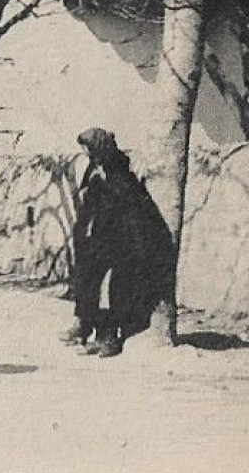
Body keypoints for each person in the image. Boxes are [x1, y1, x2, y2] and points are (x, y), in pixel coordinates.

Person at [64, 128, 177, 358]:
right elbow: (90, 203)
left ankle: (111, 339)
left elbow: (126, 207)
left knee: (113, 288)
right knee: (89, 281)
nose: (86, 154)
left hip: (122, 240)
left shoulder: (118, 172)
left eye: (88, 149)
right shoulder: (95, 169)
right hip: (99, 238)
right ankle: (93, 332)